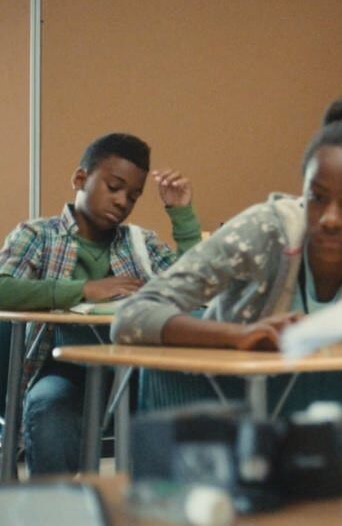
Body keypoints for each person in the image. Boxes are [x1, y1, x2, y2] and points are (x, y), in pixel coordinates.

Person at [113, 96, 342, 349]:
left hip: (324, 433)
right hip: (228, 419)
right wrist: (237, 335)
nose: (330, 219)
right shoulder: (266, 231)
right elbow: (132, 316)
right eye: (317, 197)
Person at [0, 133, 200, 474]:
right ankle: (57, 510)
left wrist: (181, 215)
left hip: (140, 370)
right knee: (48, 408)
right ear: (81, 178)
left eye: (133, 196)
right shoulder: (37, 235)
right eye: (114, 187)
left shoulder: (141, 243)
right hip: (65, 369)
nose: (123, 201)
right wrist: (84, 289)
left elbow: (196, 286)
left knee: (190, 406)